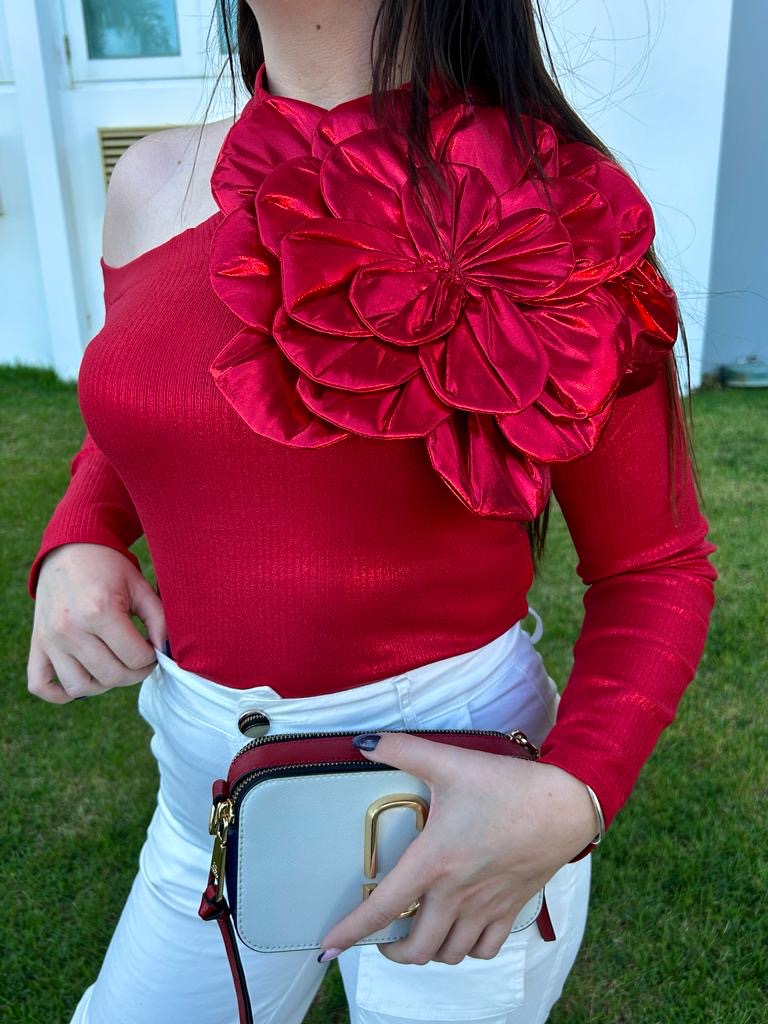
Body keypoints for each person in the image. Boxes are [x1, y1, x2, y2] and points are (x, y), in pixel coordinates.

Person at [26, 2, 718, 1022]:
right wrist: (77, 533)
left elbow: (656, 565)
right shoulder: (149, 185)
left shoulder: (555, 209)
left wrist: (572, 797)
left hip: (464, 813)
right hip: (201, 807)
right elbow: (161, 409)